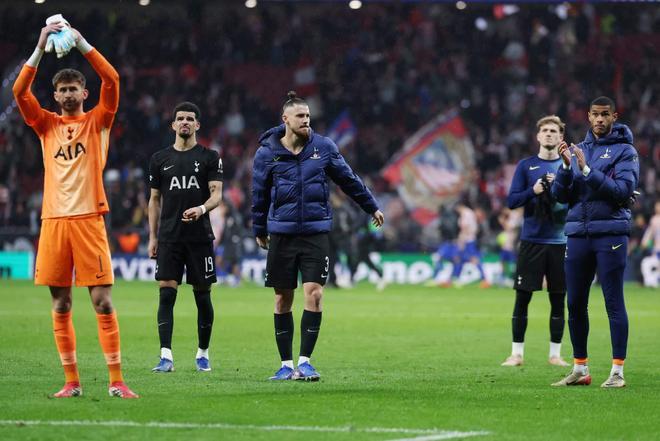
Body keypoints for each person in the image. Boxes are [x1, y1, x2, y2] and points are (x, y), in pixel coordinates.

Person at [12, 19, 138, 398]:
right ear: (55, 96)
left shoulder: (99, 120)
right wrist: (40, 46)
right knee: (61, 302)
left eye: (73, 88)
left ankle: (117, 380)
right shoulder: (45, 125)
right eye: (62, 89)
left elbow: (112, 79)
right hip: (53, 221)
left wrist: (81, 41)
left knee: (102, 302)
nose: (68, 94)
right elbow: (19, 91)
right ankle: (71, 382)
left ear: (85, 92)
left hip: (88, 219)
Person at [252, 91, 384, 381]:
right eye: (300, 116)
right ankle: (285, 365)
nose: (306, 120)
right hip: (282, 233)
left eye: (308, 116)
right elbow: (259, 193)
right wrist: (259, 228)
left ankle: (305, 362)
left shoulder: (323, 147)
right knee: (282, 298)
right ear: (285, 119)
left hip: (315, 232)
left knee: (315, 293)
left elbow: (348, 179)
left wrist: (371, 206)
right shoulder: (267, 152)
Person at [551, 96, 639, 388]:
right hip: (578, 233)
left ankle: (617, 372)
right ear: (588, 116)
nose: (600, 119)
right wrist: (566, 168)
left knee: (613, 301)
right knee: (575, 303)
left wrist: (587, 171)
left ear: (614, 116)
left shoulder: (626, 151)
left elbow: (622, 190)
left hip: (610, 234)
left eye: (605, 114)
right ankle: (580, 369)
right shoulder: (579, 149)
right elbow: (560, 196)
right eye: (595, 114)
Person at [148, 102, 223, 373]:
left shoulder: (209, 157)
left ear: (197, 125)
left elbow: (217, 195)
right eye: (180, 118)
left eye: (190, 119)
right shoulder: (159, 159)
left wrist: (201, 209)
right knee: (166, 295)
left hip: (199, 238)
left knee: (202, 296)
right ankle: (165, 356)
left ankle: (202, 353)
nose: (185, 122)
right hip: (169, 237)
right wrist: (152, 237)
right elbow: (154, 200)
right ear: (173, 125)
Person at [500, 115, 570, 368]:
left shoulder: (568, 166)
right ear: (538, 136)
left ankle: (555, 355)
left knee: (558, 299)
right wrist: (534, 190)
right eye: (545, 130)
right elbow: (512, 201)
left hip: (560, 241)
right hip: (532, 241)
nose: (549, 134)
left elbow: (576, 200)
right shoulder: (526, 166)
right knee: (523, 298)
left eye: (554, 131)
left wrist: (558, 191)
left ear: (561, 137)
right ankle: (516, 354)